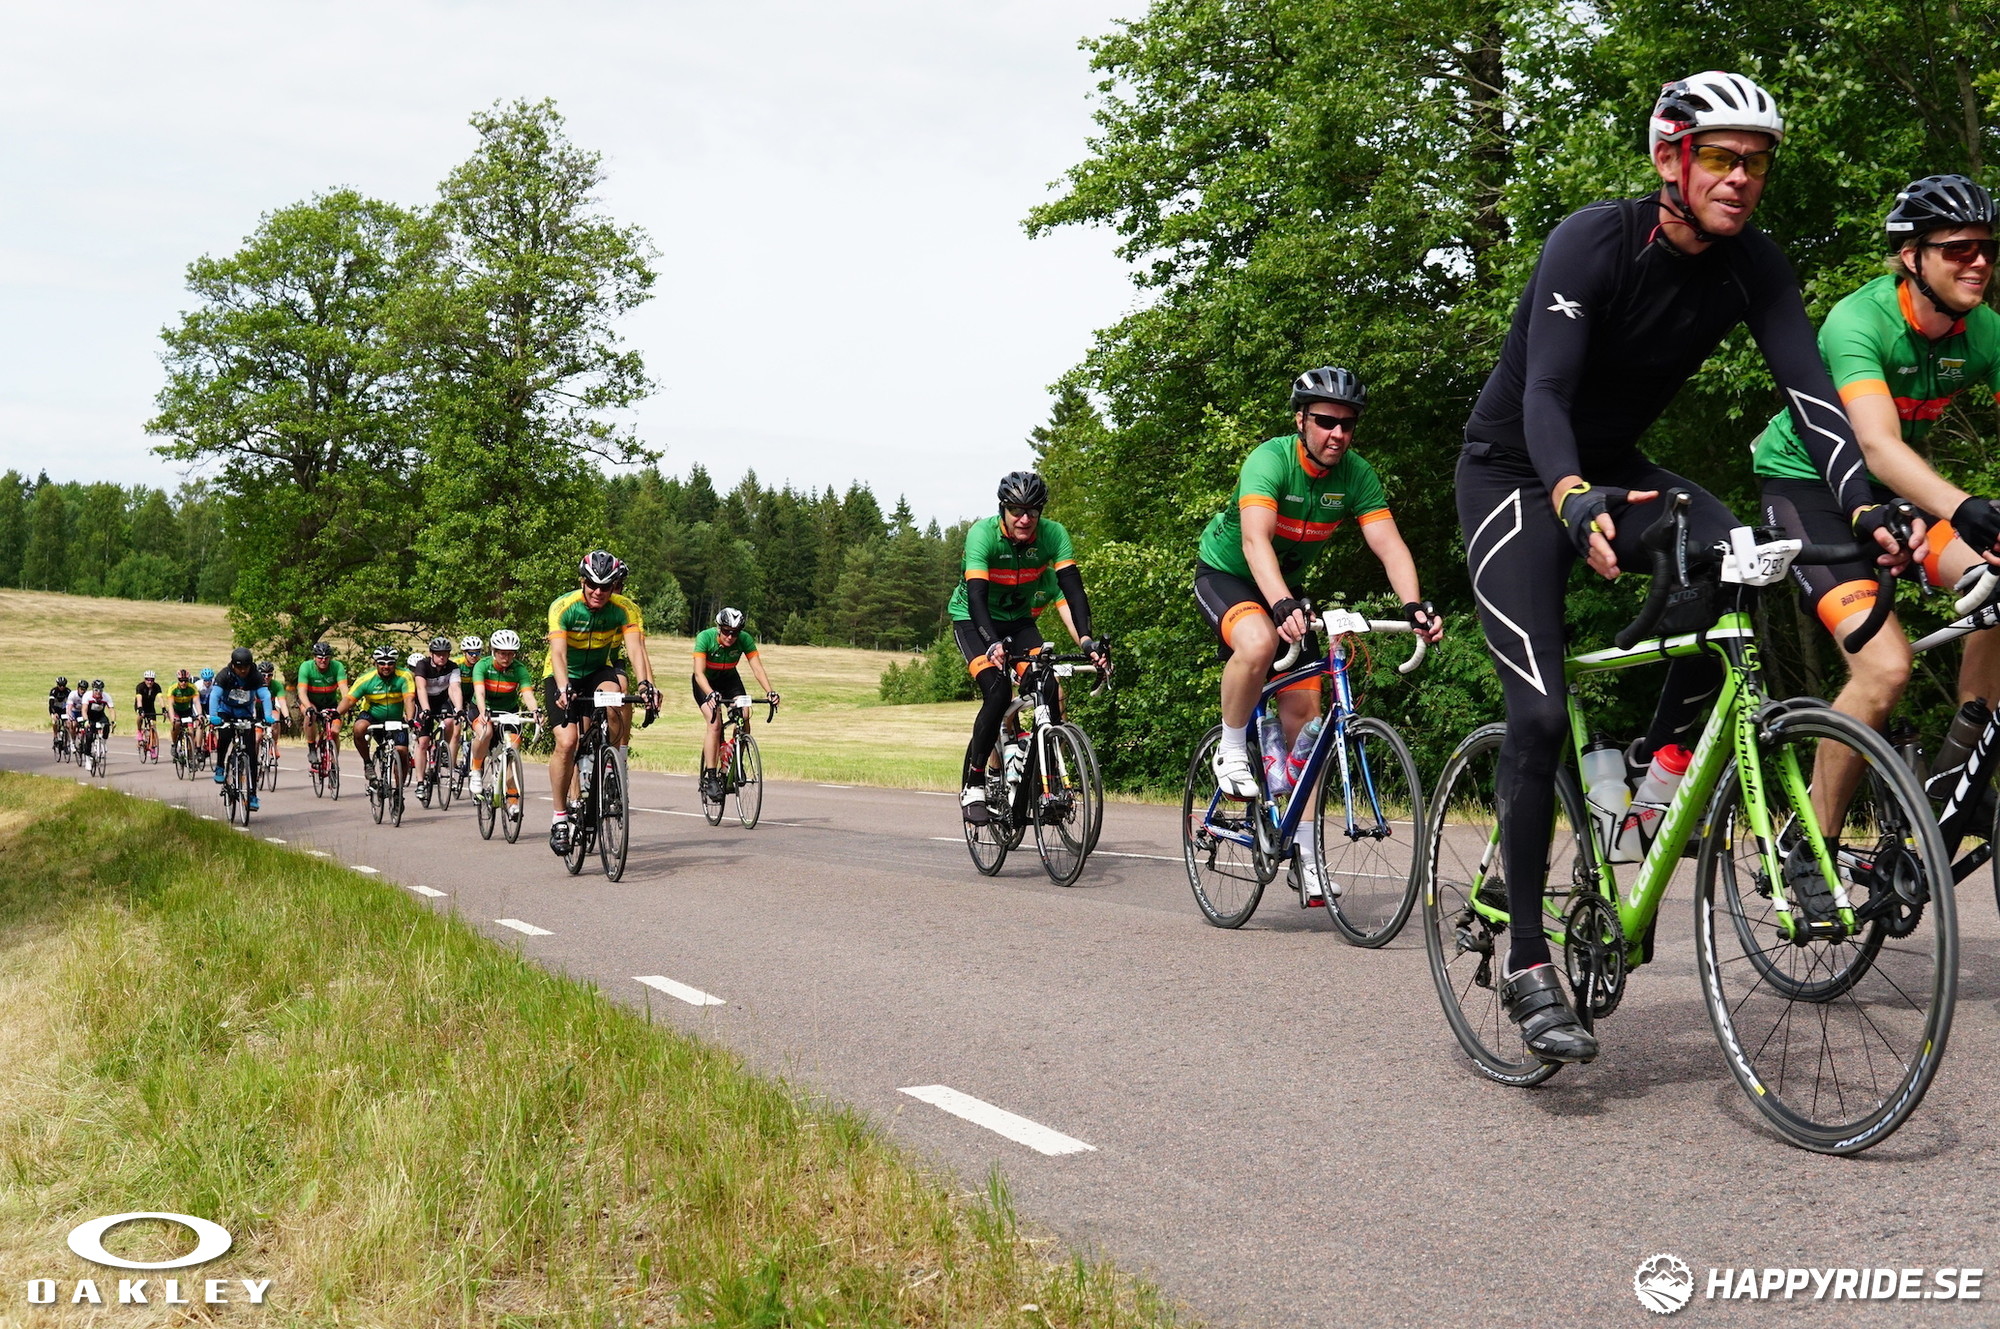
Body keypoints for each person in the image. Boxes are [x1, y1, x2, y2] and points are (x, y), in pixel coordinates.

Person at [1455, 71, 1914, 1064]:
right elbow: (1544, 394)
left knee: (1737, 563)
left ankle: (1650, 783)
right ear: (1670, 157)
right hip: (1514, 474)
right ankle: (1526, 958)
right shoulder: (1592, 242)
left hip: (1619, 470)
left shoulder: (1752, 265)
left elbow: (1814, 403)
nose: (1740, 177)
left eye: (1756, 162)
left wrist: (1864, 506)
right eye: (1720, 156)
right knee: (1538, 715)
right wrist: (1569, 494)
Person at [1754, 174, 2000, 833]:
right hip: (1810, 488)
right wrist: (1965, 506)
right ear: (1912, 256)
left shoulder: (1985, 332)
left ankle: (1961, 769)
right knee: (1886, 669)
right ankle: (1814, 842)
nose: (1979, 261)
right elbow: (1877, 445)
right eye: (1959, 249)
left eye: (1987, 248)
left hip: (1897, 496)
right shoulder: (1859, 321)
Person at [1194, 367, 1445, 906]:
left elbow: (1389, 544)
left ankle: (1306, 857)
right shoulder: (1271, 460)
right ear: (1301, 420)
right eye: (1326, 421)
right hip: (1229, 573)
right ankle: (1231, 750)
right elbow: (1255, 541)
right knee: (1259, 643)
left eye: (1347, 425)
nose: (1337, 434)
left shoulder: (1356, 474)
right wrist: (1280, 603)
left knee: (1306, 725)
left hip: (1286, 587)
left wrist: (1414, 606)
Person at [948, 471, 1110, 825]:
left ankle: (1043, 784)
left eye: (1032, 511)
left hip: (1019, 623)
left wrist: (1087, 641)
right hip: (973, 620)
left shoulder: (1054, 535)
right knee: (997, 691)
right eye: (1016, 511)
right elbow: (976, 596)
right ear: (1003, 510)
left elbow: (1073, 590)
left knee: (1049, 687)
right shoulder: (982, 535)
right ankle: (975, 783)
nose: (1025, 519)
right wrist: (991, 642)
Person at [544, 550, 658, 852]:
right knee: (567, 743)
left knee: (616, 701)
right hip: (563, 673)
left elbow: (635, 649)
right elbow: (558, 653)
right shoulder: (563, 607)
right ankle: (559, 818)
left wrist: (646, 684)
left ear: (614, 586)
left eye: (605, 586)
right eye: (593, 585)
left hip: (597, 670)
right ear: (582, 581)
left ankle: (610, 769)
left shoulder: (624, 609)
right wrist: (563, 687)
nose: (598, 592)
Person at [692, 608, 779, 800]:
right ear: (719, 628)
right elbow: (698, 673)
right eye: (726, 631)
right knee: (715, 723)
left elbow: (757, 668)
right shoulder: (705, 638)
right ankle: (712, 778)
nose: (730, 637)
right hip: (705, 682)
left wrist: (770, 691)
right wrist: (710, 693)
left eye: (735, 633)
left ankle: (735, 761)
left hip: (729, 679)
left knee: (744, 714)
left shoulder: (745, 639)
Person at [468, 629, 540, 798]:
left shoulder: (519, 669)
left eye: (510, 654)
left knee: (513, 749)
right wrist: (483, 712)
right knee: (486, 732)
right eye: (502, 653)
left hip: (508, 710)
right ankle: (476, 770)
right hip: (482, 707)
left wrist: (535, 711)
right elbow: (479, 692)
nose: (506, 658)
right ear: (494, 651)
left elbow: (527, 694)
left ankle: (513, 798)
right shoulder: (482, 665)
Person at [206, 648, 275, 809]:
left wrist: (267, 715)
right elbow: (215, 695)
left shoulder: (255, 675)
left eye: (246, 667)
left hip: (245, 713)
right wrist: (213, 716)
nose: (243, 670)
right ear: (233, 665)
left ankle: (252, 795)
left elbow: (265, 695)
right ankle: (220, 766)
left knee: (251, 754)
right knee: (225, 736)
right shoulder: (224, 675)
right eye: (239, 667)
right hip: (226, 711)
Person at [339, 647, 417, 782]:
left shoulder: (404, 676)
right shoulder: (366, 679)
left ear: (395, 663)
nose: (386, 666)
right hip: (372, 716)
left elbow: (409, 699)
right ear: (375, 663)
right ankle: (367, 763)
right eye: (382, 663)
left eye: (390, 663)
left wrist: (410, 720)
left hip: (396, 719)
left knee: (402, 752)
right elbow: (349, 700)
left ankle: (398, 791)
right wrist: (336, 713)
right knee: (359, 728)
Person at [410, 636, 464, 801]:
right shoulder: (422, 665)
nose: (442, 657)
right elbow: (421, 688)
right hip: (424, 701)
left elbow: (455, 688)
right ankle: (420, 782)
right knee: (423, 742)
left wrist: (459, 709)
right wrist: (425, 709)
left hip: (441, 700)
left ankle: (443, 749)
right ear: (431, 654)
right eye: (438, 654)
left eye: (445, 654)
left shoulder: (453, 667)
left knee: (449, 721)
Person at [294, 642, 348, 751]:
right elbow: (302, 692)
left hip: (330, 703)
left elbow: (344, 689)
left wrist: (347, 704)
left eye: (326, 658)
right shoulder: (306, 667)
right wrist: (308, 707)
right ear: (314, 657)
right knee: (310, 715)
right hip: (310, 702)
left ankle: (334, 759)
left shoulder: (337, 666)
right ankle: (312, 748)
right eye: (320, 658)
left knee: (335, 732)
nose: (323, 660)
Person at [76, 679, 114, 773]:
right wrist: (86, 720)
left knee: (107, 725)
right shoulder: (87, 695)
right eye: (96, 690)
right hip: (90, 716)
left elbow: (111, 709)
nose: (98, 692)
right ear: (93, 689)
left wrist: (114, 721)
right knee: (89, 736)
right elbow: (84, 710)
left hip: (100, 716)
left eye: (100, 690)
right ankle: (87, 759)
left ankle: (103, 742)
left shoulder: (106, 696)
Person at [168, 669, 199, 751]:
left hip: (186, 710)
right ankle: (174, 744)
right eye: (181, 680)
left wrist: (199, 714)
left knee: (191, 731)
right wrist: (172, 718)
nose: (183, 683)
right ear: (178, 680)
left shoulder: (192, 688)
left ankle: (190, 752)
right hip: (175, 710)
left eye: (185, 680)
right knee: (177, 724)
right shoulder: (173, 688)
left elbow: (197, 702)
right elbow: (170, 704)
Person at [134, 670, 163, 755]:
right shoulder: (140, 686)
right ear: (144, 679)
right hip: (141, 705)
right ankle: (139, 731)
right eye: (147, 679)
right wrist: (140, 708)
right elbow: (139, 699)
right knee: (140, 716)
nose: (149, 682)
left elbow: (160, 698)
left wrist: (164, 708)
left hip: (150, 707)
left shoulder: (156, 687)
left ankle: (152, 747)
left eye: (152, 680)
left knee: (153, 726)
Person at [48, 676, 71, 748]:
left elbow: (71, 703)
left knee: (67, 725)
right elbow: (51, 703)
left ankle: (66, 743)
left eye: (64, 685)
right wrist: (54, 713)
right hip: (55, 709)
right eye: (60, 685)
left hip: (64, 709)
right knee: (55, 721)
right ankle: (55, 736)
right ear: (57, 684)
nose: (62, 687)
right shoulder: (54, 691)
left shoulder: (68, 691)